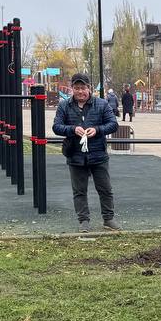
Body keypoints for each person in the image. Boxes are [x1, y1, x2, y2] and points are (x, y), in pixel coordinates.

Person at [52, 73, 120, 233]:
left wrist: (97, 130)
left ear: (89, 88)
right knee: (79, 191)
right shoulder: (64, 106)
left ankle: (108, 218)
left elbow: (113, 124)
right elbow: (56, 127)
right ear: (72, 89)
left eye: (83, 88)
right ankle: (84, 220)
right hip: (75, 155)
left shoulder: (101, 104)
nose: (80, 91)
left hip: (98, 155)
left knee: (105, 188)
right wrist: (72, 129)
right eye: (76, 88)